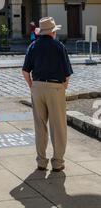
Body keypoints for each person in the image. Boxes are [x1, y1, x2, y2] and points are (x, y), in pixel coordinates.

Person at [22, 17, 73, 172]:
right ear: (52, 32)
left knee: (40, 125)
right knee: (58, 127)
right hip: (55, 87)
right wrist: (64, 86)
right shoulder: (59, 46)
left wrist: (32, 86)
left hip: (37, 87)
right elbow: (67, 73)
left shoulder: (33, 46)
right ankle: (57, 162)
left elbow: (25, 71)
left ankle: (41, 162)